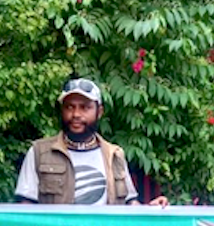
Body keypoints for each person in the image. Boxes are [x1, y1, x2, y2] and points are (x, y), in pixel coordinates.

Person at [14, 77, 168, 207]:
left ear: (99, 112)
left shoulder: (114, 155)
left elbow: (129, 206)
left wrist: (150, 210)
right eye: (69, 107)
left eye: (84, 107)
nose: (76, 114)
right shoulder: (39, 152)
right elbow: (25, 209)